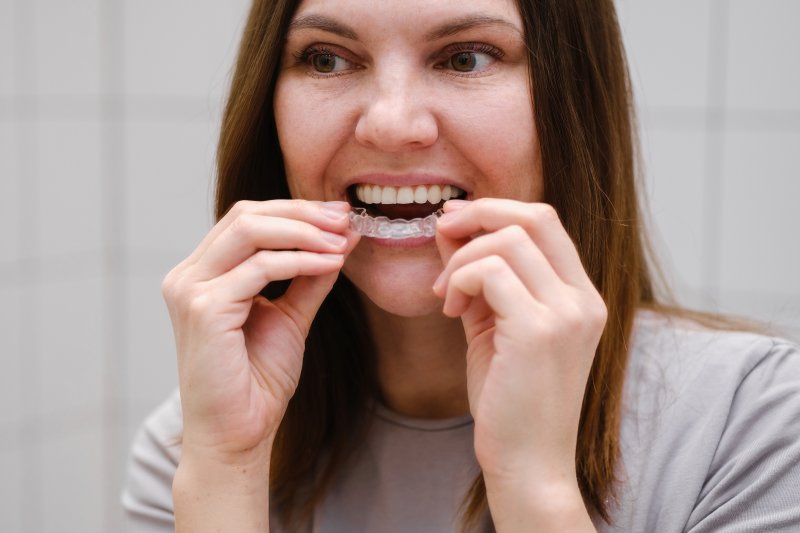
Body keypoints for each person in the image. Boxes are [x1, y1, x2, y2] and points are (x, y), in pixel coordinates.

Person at [121, 0, 800, 531]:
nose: (390, 124)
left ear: (573, 103)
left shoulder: (751, 426)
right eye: (327, 59)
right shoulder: (195, 444)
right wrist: (224, 471)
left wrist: (535, 487)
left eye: (467, 58)